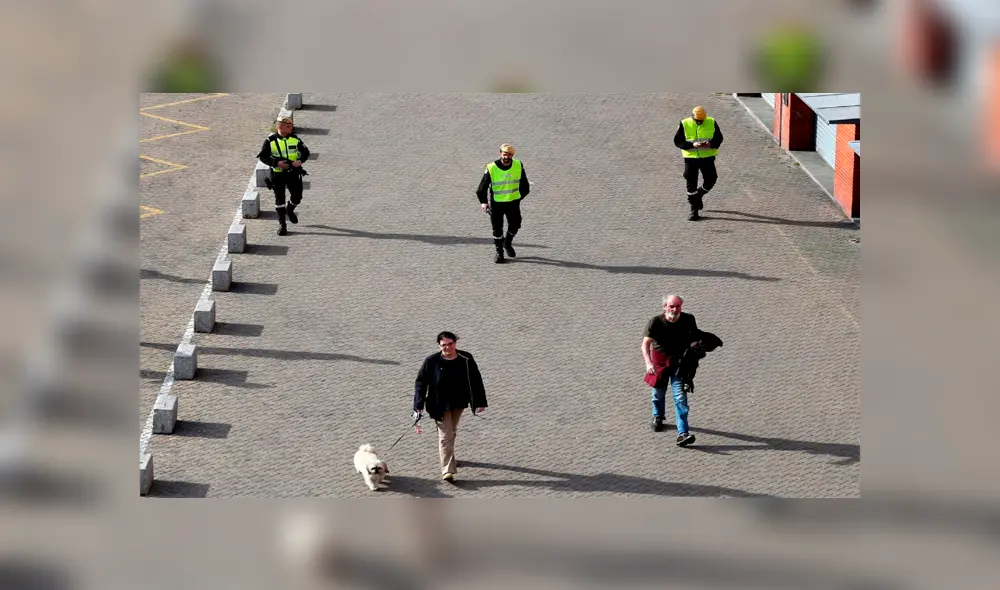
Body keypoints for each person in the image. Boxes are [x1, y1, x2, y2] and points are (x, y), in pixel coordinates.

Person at [412, 332, 488, 482]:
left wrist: (480, 401)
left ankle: (450, 457)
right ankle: (447, 470)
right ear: (439, 346)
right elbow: (421, 383)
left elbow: (475, 379)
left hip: (459, 402)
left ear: (455, 343)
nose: (447, 347)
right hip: (438, 404)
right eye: (444, 345)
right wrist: (418, 405)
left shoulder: (466, 358)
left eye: (450, 344)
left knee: (451, 431)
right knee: (446, 436)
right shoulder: (431, 361)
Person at [641, 295, 700, 446]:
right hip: (659, 364)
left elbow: (694, 338)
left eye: (677, 306)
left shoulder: (688, 319)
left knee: (680, 398)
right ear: (665, 307)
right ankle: (658, 416)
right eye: (671, 306)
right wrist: (648, 363)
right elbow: (645, 344)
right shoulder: (655, 322)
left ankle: (683, 433)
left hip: (679, 365)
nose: (674, 309)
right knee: (658, 394)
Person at [475, 143, 531, 264]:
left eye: (509, 155)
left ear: (512, 155)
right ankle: (499, 252)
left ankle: (507, 243)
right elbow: (482, 187)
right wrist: (484, 202)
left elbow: (525, 185)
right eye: (505, 154)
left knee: (515, 225)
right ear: (500, 153)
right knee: (497, 229)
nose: (506, 157)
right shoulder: (491, 167)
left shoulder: (518, 165)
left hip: (513, 203)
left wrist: (518, 197)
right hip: (497, 204)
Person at [257, 116, 310, 235]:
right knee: (279, 199)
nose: (291, 128)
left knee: (297, 197)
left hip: (293, 173)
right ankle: (282, 225)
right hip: (278, 174)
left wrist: (300, 161)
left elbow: (306, 152)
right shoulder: (270, 141)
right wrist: (276, 163)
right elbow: (263, 157)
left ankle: (290, 210)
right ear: (280, 127)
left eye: (291, 126)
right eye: (289, 126)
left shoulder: (295, 139)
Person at [673, 105, 723, 221]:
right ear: (692, 117)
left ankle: (699, 194)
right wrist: (692, 145)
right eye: (697, 120)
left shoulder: (711, 122)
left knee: (711, 179)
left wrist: (710, 144)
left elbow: (719, 138)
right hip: (691, 158)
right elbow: (678, 141)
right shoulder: (685, 123)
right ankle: (694, 210)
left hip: (707, 157)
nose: (700, 122)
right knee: (691, 182)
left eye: (702, 120)